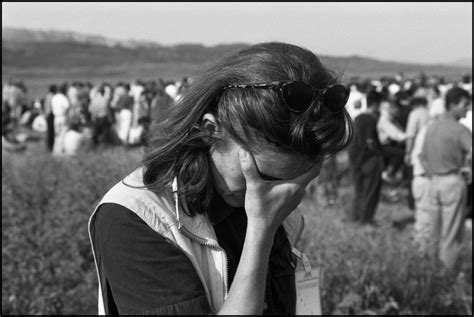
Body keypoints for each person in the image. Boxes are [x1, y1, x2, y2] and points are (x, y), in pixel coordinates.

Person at [88, 42, 353, 315]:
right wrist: (260, 232)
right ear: (210, 130)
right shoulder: (137, 218)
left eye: (297, 181)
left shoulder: (274, 201)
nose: (277, 194)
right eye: (262, 175)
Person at [419, 86, 472, 271]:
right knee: (451, 235)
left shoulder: (433, 127)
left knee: (435, 231)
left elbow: (422, 157)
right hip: (452, 182)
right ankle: (446, 277)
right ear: (453, 104)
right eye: (465, 104)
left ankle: (431, 270)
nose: (468, 109)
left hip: (434, 182)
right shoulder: (460, 130)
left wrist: (434, 173)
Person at [347, 90, 384, 225]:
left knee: (358, 190)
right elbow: (370, 142)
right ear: (376, 104)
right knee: (370, 191)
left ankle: (355, 217)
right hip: (369, 159)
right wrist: (380, 153)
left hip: (355, 158)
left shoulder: (358, 117)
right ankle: (366, 219)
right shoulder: (370, 119)